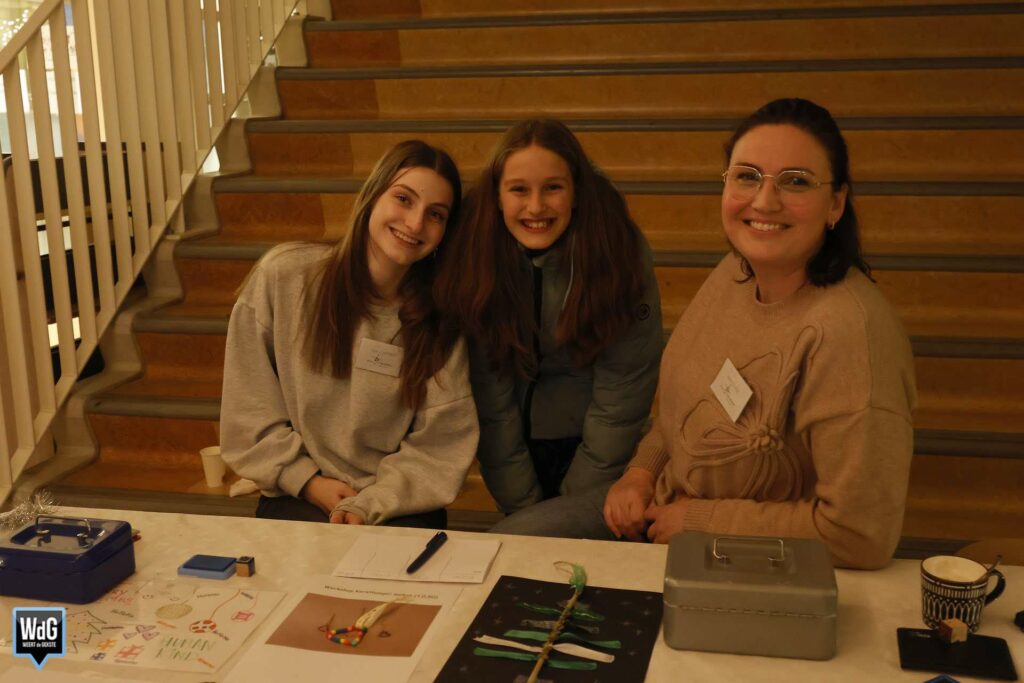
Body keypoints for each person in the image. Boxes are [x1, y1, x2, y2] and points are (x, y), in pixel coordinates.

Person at [603, 98, 917, 569]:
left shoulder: (850, 336)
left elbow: (860, 536)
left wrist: (703, 522)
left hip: (755, 574)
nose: (764, 201)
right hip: (664, 535)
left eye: (796, 181)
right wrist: (640, 474)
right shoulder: (734, 272)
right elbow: (686, 408)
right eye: (747, 176)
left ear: (836, 203)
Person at [220, 140, 478, 529]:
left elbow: (440, 447)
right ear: (373, 196)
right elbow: (248, 408)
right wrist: (307, 481)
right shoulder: (284, 277)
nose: (415, 223)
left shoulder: (442, 319)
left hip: (397, 502)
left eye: (436, 214)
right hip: (299, 493)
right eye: (403, 199)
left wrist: (369, 503)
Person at [435, 119, 663, 536]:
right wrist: (520, 501)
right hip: (514, 444)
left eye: (553, 188)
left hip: (597, 442)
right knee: (524, 540)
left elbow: (623, 392)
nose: (536, 207)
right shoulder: (476, 252)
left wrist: (571, 504)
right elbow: (490, 395)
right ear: (497, 195)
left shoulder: (618, 251)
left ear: (576, 192)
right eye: (519, 190)